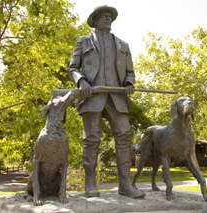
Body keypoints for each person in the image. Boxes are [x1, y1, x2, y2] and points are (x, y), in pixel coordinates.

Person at [68, 5, 145, 198]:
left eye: (110, 16)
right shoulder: (83, 41)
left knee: (124, 138)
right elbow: (72, 68)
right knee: (91, 140)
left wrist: (129, 82)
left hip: (117, 98)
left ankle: (125, 185)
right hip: (92, 97)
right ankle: (90, 185)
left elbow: (130, 73)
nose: (108, 18)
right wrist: (81, 80)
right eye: (103, 15)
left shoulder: (123, 45)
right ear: (94, 20)